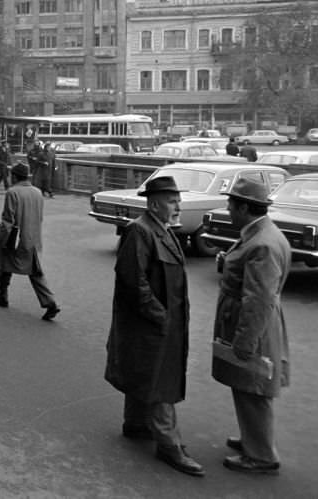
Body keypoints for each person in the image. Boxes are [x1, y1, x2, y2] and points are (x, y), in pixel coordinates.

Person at [104, 175, 203, 477]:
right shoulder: (140, 231)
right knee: (162, 381)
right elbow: (133, 283)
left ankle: (135, 424)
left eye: (177, 200)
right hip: (152, 323)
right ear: (154, 203)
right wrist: (159, 316)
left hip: (159, 322)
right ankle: (168, 444)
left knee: (144, 370)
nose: (178, 206)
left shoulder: (162, 229)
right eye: (172, 201)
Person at [212, 177, 291, 475]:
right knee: (246, 386)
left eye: (232, 204)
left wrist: (245, 341)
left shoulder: (262, 245)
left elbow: (258, 300)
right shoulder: (261, 233)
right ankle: (252, 438)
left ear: (245, 207)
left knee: (254, 387)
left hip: (253, 325)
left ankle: (261, 455)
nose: (228, 209)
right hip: (253, 322)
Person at [0, 162, 60, 320]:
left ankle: (3, 296)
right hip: (33, 239)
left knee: (4, 267)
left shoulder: (12, 192)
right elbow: (40, 217)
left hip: (15, 239)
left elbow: (8, 220)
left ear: (15, 176)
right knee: (35, 273)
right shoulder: (37, 192)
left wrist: (1, 240)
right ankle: (51, 303)